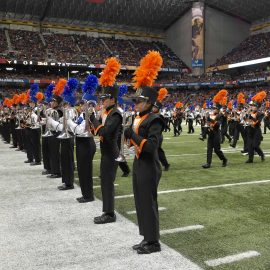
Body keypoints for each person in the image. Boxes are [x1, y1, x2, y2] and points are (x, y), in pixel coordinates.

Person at [124, 51, 163, 254]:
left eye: (138, 101)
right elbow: (136, 143)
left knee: (148, 202)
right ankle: (146, 238)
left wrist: (133, 136)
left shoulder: (154, 120)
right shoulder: (139, 118)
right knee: (140, 202)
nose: (135, 104)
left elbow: (151, 146)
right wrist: (128, 139)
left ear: (148, 102)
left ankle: (154, 242)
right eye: (135, 101)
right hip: (139, 163)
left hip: (149, 164)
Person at [90, 57, 122, 224]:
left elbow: (106, 132)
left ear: (113, 99)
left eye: (105, 98)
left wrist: (93, 121)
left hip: (111, 152)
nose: (102, 101)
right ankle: (107, 211)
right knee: (105, 181)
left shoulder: (115, 114)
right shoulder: (107, 113)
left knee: (107, 182)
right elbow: (98, 130)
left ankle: (109, 214)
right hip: (106, 152)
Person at [202, 90, 228, 169]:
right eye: (213, 108)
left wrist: (211, 120)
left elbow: (218, 124)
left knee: (217, 150)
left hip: (216, 134)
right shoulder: (212, 115)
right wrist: (205, 119)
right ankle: (208, 163)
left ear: (218, 109)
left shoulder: (220, 115)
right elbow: (207, 123)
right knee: (209, 149)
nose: (213, 109)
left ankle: (224, 159)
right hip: (210, 134)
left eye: (215, 108)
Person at [245, 92, 266, 163]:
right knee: (250, 146)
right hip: (250, 130)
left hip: (256, 131)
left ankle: (262, 154)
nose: (252, 107)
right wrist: (246, 115)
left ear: (257, 107)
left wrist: (251, 117)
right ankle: (250, 159)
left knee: (255, 145)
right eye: (252, 106)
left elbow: (258, 122)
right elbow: (245, 119)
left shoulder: (260, 114)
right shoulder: (250, 113)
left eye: (254, 106)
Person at [153, 88, 170, 171]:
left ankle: (165, 164)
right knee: (157, 151)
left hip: (158, 136)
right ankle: (165, 164)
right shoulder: (154, 114)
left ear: (158, 108)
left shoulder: (159, 116)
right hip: (155, 136)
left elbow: (161, 127)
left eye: (154, 107)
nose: (153, 108)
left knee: (157, 151)